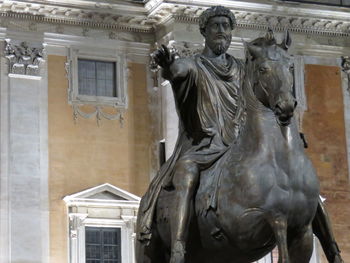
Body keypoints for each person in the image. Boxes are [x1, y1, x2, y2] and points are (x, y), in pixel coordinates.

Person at [137, 5, 246, 263]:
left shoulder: (243, 70)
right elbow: (176, 72)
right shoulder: (193, 65)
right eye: (216, 26)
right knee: (186, 175)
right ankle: (177, 246)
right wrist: (168, 66)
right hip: (202, 148)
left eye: (226, 26)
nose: (222, 31)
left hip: (237, 147)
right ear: (204, 31)